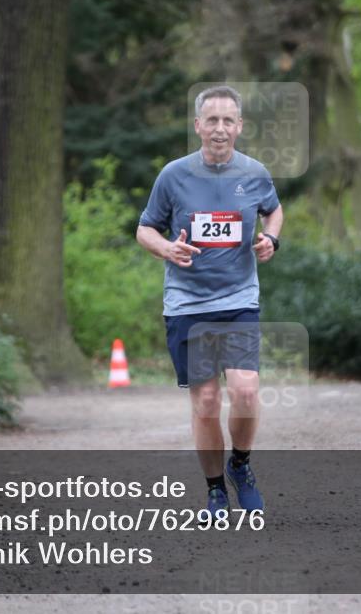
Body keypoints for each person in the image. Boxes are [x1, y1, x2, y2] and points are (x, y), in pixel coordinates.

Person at [136, 85, 284, 517]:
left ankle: (241, 465)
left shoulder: (254, 173)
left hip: (239, 298)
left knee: (246, 390)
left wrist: (271, 238)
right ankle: (215, 490)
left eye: (228, 120)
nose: (219, 128)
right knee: (204, 403)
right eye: (211, 120)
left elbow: (274, 210)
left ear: (240, 126)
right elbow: (145, 228)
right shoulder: (173, 176)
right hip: (187, 304)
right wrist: (165, 248)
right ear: (198, 125)